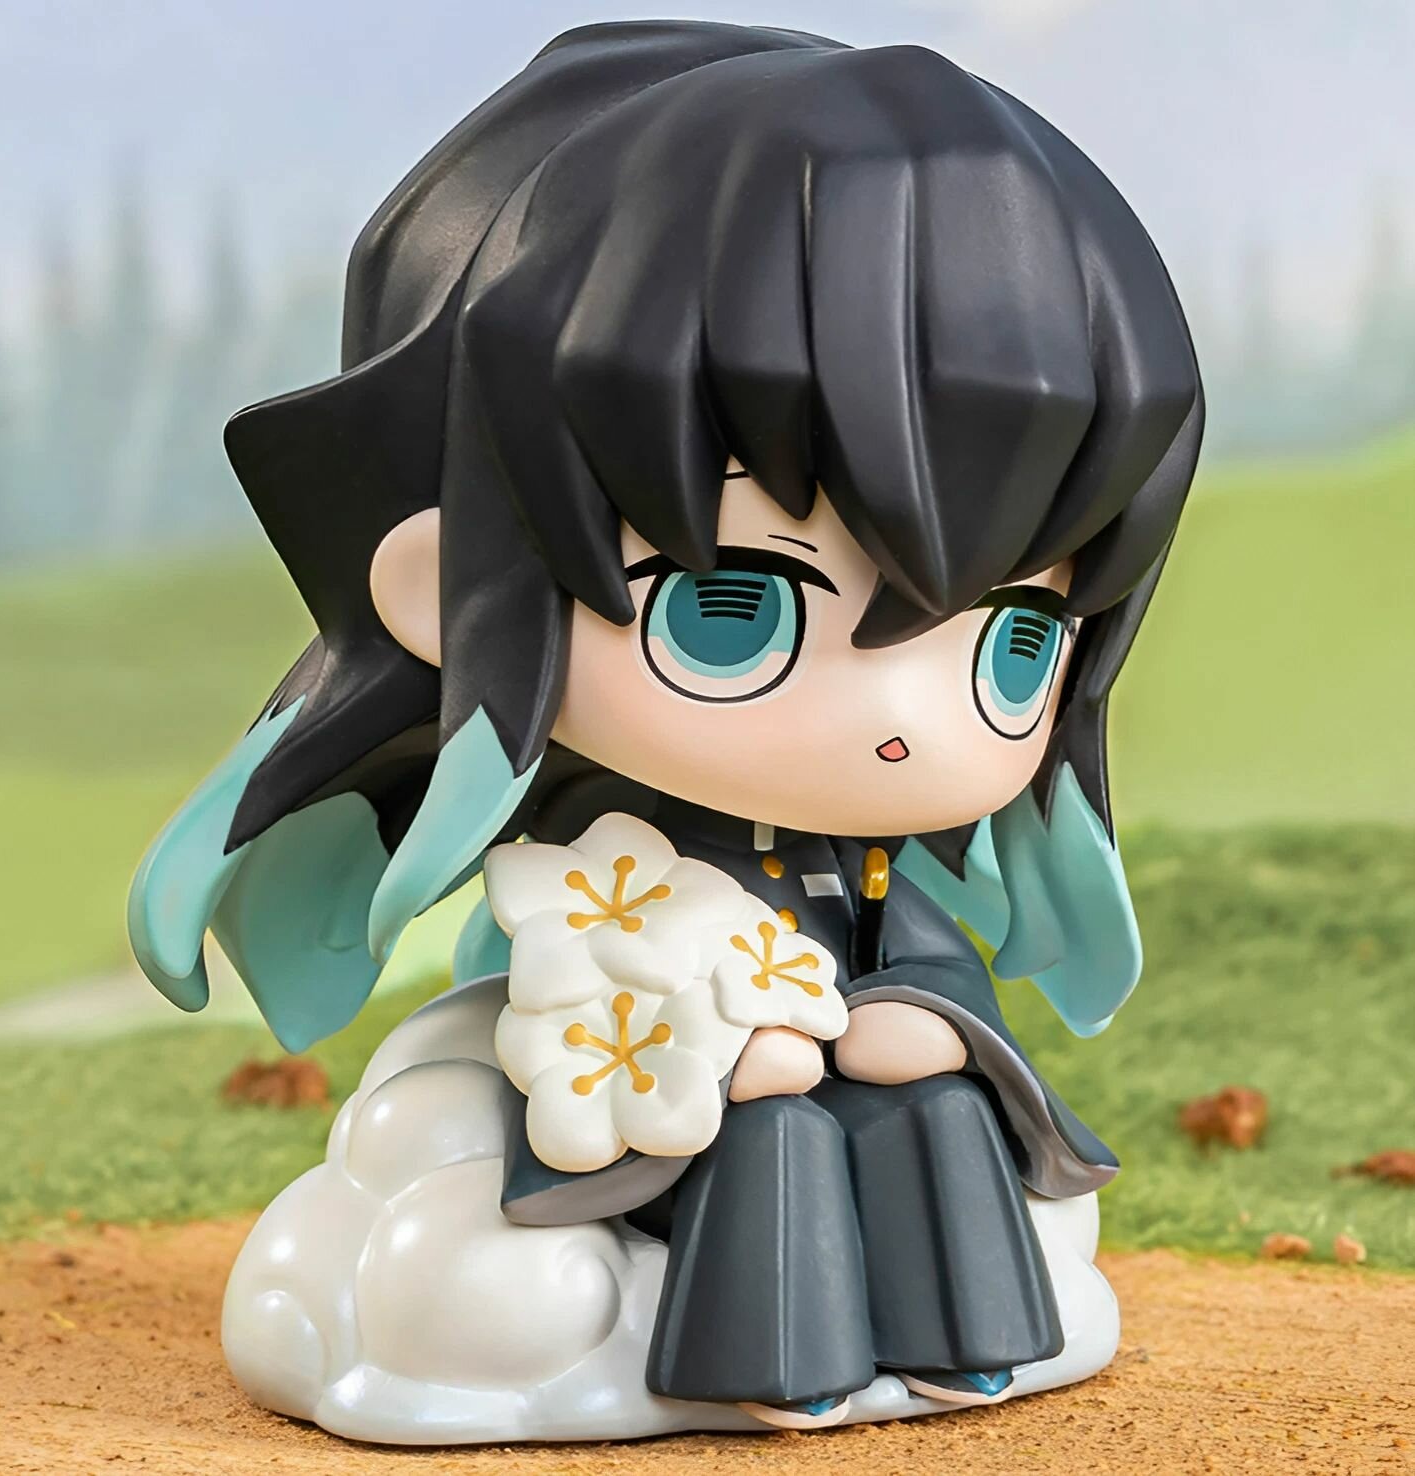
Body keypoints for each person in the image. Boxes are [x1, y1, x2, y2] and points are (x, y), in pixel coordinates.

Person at [129, 19, 1202, 1433]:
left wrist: (922, 1012)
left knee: (938, 1112)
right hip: (679, 1096)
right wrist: (717, 1043)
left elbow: (912, 939)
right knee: (766, 1136)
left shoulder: (880, 854)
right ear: (443, 584)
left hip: (850, 1036)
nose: (899, 722)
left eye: (1014, 642)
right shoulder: (603, 848)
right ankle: (766, 1359)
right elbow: (575, 977)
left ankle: (966, 1334)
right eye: (731, 609)